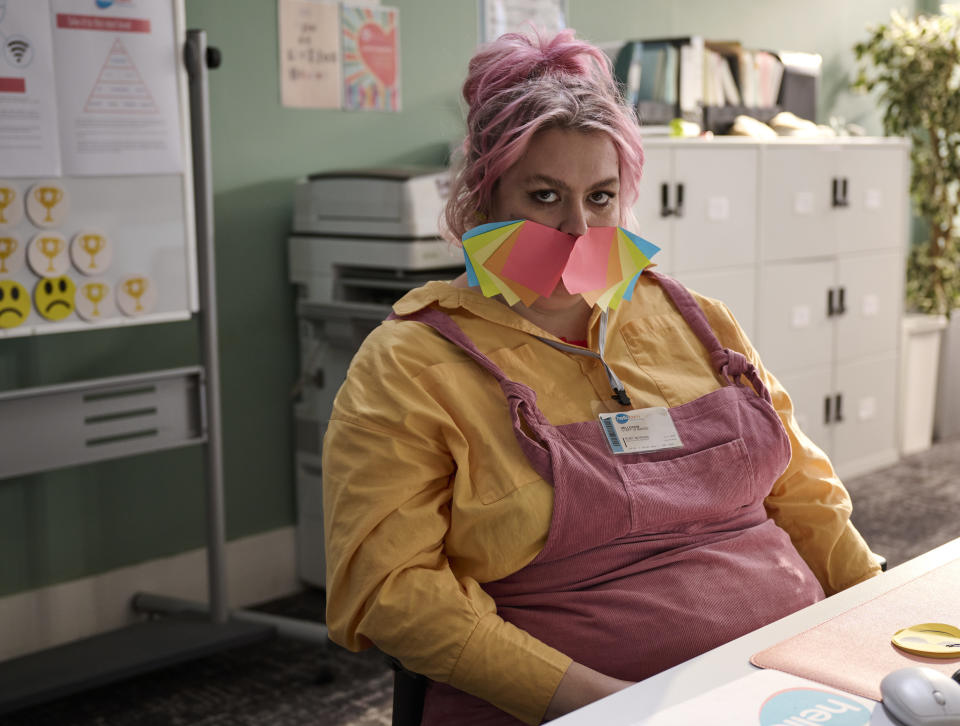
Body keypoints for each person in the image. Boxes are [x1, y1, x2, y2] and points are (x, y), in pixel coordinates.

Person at [321, 29, 881, 726]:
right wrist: (622, 710)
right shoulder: (410, 365)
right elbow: (392, 590)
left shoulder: (695, 320)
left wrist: (874, 630)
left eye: (602, 198)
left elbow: (808, 498)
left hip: (785, 684)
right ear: (482, 197)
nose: (577, 229)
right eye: (545, 195)